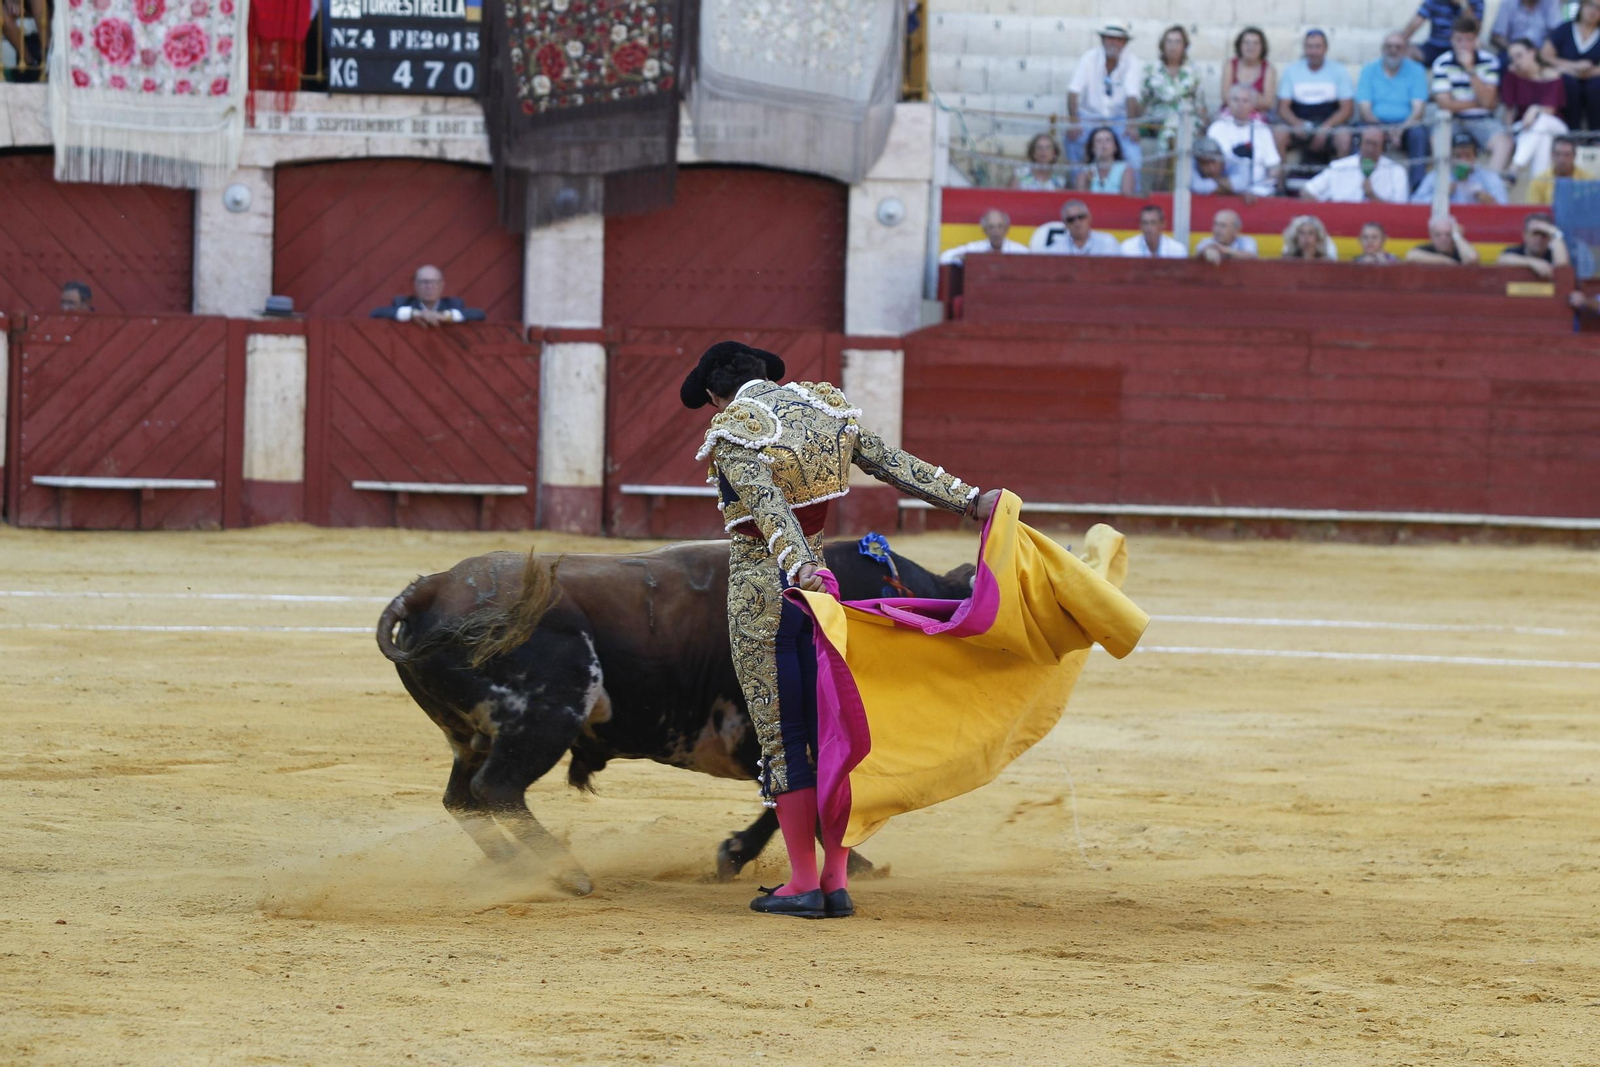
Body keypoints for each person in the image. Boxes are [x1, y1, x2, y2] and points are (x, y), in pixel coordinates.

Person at [681, 341, 999, 918]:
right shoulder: (826, 410)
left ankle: (802, 881)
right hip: (826, 601)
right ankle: (834, 880)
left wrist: (798, 564)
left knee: (783, 737)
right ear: (765, 375)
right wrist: (971, 500)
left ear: (711, 394)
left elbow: (767, 506)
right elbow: (894, 463)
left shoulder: (733, 428)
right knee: (828, 731)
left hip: (768, 597)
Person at [1431, 16, 1515, 172]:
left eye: (1468, 40)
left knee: (1504, 143)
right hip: (1452, 121)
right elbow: (1445, 105)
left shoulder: (1490, 61)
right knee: (1437, 139)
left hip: (1482, 120)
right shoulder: (1441, 63)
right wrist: (1478, 103)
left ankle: (1491, 187)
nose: (1464, 45)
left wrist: (1470, 69)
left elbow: (1488, 102)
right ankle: (1446, 187)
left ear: (1476, 40)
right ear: (1452, 40)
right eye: (1459, 40)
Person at [1357, 33, 1434, 190]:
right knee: (1359, 133)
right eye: (1389, 47)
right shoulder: (1369, 70)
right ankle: (1357, 184)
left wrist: (1400, 130)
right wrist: (1384, 131)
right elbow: (1365, 109)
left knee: (1419, 134)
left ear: (1405, 50)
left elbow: (1418, 110)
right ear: (1382, 49)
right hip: (1375, 123)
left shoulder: (1416, 71)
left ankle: (1417, 188)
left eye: (1398, 47)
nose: (1393, 50)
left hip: (1406, 125)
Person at [1066, 19, 1144, 171]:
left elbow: (1132, 96)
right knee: (1074, 140)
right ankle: (1079, 190)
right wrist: (1074, 123)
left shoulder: (1132, 61)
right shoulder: (1089, 58)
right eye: (1110, 38)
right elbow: (1073, 92)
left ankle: (1132, 193)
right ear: (1102, 40)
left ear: (1125, 43)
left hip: (1119, 118)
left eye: (1118, 39)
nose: (1114, 42)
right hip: (1089, 115)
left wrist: (1131, 125)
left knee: (1132, 151)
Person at [1275, 29, 1357, 167]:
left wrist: (1325, 128)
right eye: (1309, 47)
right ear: (1304, 48)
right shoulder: (1291, 70)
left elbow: (1347, 109)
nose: (1313, 51)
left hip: (1330, 125)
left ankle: (1341, 183)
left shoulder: (1339, 71)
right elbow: (1283, 108)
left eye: (1317, 47)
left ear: (1325, 48)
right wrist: (1296, 124)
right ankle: (1279, 183)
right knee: (1278, 133)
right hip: (1299, 125)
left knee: (1344, 136)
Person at [1502, 36, 1570, 176]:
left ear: (1532, 52)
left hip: (1555, 126)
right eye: (1512, 57)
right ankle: (1539, 188)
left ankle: (1514, 168)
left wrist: (1535, 109)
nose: (1516, 61)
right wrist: (1508, 133)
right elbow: (1508, 109)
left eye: (1519, 55)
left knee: (1541, 120)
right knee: (1542, 138)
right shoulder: (1511, 75)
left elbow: (1550, 110)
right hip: (1526, 127)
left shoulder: (1551, 75)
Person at [1205, 83, 1283, 198]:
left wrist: (1265, 183)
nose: (1240, 105)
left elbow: (1274, 165)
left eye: (1245, 101)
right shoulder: (1217, 128)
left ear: (1252, 105)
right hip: (1224, 188)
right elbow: (1206, 163)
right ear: (1229, 102)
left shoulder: (1262, 129)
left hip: (1256, 190)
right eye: (1236, 100)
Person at [1141, 24, 1206, 158]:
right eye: (1169, 41)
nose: (1173, 46)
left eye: (1177, 42)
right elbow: (1143, 100)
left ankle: (1163, 176)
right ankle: (1175, 175)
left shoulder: (1193, 71)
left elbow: (1200, 103)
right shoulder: (1151, 70)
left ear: (1184, 46)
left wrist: (1204, 127)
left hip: (1187, 118)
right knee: (1170, 127)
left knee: (1173, 128)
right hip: (1158, 118)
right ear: (1162, 45)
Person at [1302, 126, 1412, 202]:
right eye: (1367, 143)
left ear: (1383, 148)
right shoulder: (1339, 167)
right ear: (1359, 144)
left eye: (1374, 144)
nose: (1370, 148)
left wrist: (1372, 196)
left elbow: (1400, 210)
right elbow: (1307, 191)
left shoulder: (1397, 172)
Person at [1541, 0, 1600, 130]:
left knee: (1596, 86)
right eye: (1591, 5)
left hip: (1593, 78)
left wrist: (1591, 72)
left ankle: (1596, 136)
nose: (1593, 11)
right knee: (1568, 84)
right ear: (1582, 5)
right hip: (1568, 77)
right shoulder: (1565, 29)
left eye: (1598, 8)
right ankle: (1571, 134)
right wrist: (1574, 66)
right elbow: (1545, 55)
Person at [1412, 130, 1513, 201]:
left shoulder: (1489, 176)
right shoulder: (1437, 176)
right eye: (1458, 156)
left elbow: (1503, 205)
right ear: (1451, 157)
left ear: (1475, 156)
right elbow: (1414, 203)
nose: (1463, 160)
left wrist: (1488, 201)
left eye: (1467, 155)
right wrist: (1441, 196)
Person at [370, 265, 486, 325]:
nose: (429, 286)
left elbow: (480, 314)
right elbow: (376, 313)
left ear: (441, 285)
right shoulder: (403, 303)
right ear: (415, 285)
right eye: (424, 282)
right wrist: (414, 314)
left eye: (434, 282)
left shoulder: (453, 304)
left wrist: (445, 316)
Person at [1403, 0, 1486, 66]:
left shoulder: (1476, 2)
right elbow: (1416, 22)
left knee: (1477, 46)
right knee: (1405, 52)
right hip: (1434, 46)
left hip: (1460, 47)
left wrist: (1464, 6)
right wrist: (1401, 40)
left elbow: (1474, 29)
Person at [1027, 199, 1122, 255]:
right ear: (1065, 225)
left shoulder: (1108, 243)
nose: (1077, 222)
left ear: (1089, 218)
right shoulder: (1056, 250)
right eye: (1071, 220)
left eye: (1081, 217)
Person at [1222, 27, 1278, 120]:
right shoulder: (1230, 65)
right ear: (1239, 45)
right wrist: (1252, 98)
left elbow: (1268, 103)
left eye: (1256, 43)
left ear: (1262, 47)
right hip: (1231, 113)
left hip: (1258, 115)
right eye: (1246, 42)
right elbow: (1225, 97)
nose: (1251, 46)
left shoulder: (1268, 69)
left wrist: (1237, 99)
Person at [938, 209, 1028, 265]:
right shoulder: (975, 248)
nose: (996, 231)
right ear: (985, 230)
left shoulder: (1020, 251)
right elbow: (944, 258)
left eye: (1000, 226)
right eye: (991, 227)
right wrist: (963, 258)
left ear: (1006, 229)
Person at [1497, 211, 1572, 276]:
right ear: (1525, 235)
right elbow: (1502, 259)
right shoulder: (1515, 251)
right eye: (1535, 233)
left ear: (1549, 238)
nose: (1539, 238)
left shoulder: (1552, 255)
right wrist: (1532, 262)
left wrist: (1555, 233)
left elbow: (1562, 266)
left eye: (1544, 234)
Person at [1527, 133, 1594, 201]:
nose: (1561, 159)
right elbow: (1533, 209)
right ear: (1552, 155)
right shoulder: (1539, 181)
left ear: (1574, 156)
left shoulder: (1588, 180)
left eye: (1567, 155)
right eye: (1557, 154)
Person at [1074, 126, 1137, 195]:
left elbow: (1127, 200)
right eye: (1099, 141)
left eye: (1108, 140)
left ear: (1115, 147)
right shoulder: (1085, 172)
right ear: (1092, 148)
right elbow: (1081, 200)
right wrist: (1087, 182)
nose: (1103, 144)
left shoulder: (1126, 170)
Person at [1491, 0, 1563, 54]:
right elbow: (1496, 36)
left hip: (1540, 55)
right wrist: (1514, 50)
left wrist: (1541, 53)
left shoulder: (1550, 3)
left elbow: (1558, 35)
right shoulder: (1508, 3)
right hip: (1512, 53)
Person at [1405, 213, 1482, 262]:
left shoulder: (1460, 250)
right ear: (1431, 235)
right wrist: (1446, 261)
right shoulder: (1427, 249)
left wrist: (1457, 236)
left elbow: (1472, 258)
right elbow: (1411, 256)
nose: (1443, 239)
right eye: (1438, 235)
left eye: (1448, 234)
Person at [1120, 203, 1188, 258]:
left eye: (1153, 222)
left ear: (1163, 224)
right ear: (1140, 226)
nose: (1149, 227)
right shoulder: (1127, 248)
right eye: (1145, 223)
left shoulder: (1177, 250)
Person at [1194, 208, 1260, 263]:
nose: (1217, 229)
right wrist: (1206, 251)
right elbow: (1199, 254)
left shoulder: (1246, 241)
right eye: (1215, 224)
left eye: (1223, 226)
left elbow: (1251, 256)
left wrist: (1223, 250)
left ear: (1236, 230)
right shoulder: (1207, 241)